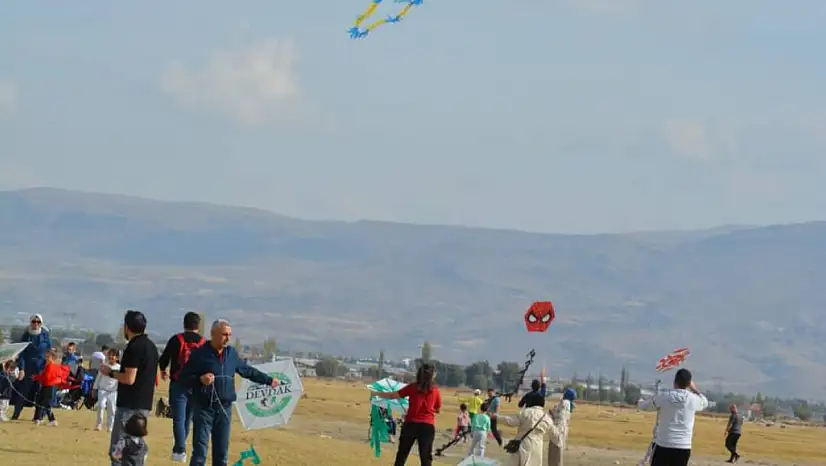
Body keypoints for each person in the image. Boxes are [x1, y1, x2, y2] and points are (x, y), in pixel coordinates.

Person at [180, 319, 279, 466]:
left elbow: (248, 371)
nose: (228, 338)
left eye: (229, 335)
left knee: (221, 454)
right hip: (204, 409)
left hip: (224, 410)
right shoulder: (199, 354)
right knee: (200, 452)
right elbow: (184, 378)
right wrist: (200, 379)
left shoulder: (231, 354)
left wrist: (269, 380)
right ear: (213, 334)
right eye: (224, 334)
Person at [100, 310, 159, 466]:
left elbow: (129, 378)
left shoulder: (134, 347)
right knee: (135, 451)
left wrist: (110, 372)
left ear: (127, 327)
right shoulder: (152, 347)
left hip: (129, 406)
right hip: (144, 403)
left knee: (119, 451)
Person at [371, 363, 441, 466]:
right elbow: (438, 409)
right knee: (425, 457)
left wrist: (377, 394)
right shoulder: (435, 391)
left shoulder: (412, 387)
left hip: (410, 425)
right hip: (427, 426)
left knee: (402, 455)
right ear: (432, 376)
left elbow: (392, 395)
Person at [159, 312, 206, 463]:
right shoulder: (204, 342)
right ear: (198, 325)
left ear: (184, 324)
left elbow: (164, 358)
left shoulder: (177, 339)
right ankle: (180, 447)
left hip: (178, 383)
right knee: (188, 418)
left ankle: (180, 449)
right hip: (197, 384)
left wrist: (163, 370)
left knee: (178, 418)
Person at [638, 368, 708, 466]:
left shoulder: (664, 396)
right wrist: (694, 388)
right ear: (688, 384)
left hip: (663, 444)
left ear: (674, 382)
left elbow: (646, 406)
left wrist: (640, 401)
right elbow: (705, 402)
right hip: (683, 446)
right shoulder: (693, 400)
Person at [11, 313, 52, 420]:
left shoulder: (45, 335)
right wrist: (22, 369)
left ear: (41, 323)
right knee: (23, 392)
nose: (36, 324)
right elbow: (22, 353)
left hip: (41, 369)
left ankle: (38, 416)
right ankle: (16, 414)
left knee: (40, 393)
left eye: (38, 322)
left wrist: (48, 366)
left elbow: (49, 351)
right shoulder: (26, 335)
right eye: (34, 322)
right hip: (28, 368)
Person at [498, 395, 558, 466]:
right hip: (537, 448)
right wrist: (554, 418)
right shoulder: (547, 418)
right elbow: (555, 434)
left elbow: (511, 421)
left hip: (522, 446)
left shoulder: (525, 412)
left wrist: (496, 418)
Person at [32, 349, 64, 426]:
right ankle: (38, 419)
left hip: (49, 387)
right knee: (40, 402)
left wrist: (36, 377)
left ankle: (52, 420)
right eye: (46, 356)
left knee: (46, 404)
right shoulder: (48, 365)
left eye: (48, 356)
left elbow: (46, 377)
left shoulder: (51, 366)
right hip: (45, 386)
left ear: (52, 357)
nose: (46, 358)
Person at [94, 348, 121, 432]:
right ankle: (99, 424)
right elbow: (98, 378)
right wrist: (94, 388)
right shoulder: (104, 366)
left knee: (112, 409)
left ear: (117, 358)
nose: (111, 357)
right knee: (101, 406)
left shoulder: (119, 368)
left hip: (113, 392)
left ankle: (110, 426)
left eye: (113, 355)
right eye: (110, 355)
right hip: (102, 390)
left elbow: (120, 380)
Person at [548, 388, 575, 466]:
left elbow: (556, 414)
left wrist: (552, 413)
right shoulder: (569, 405)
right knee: (558, 457)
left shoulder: (564, 403)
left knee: (554, 458)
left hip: (557, 432)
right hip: (562, 433)